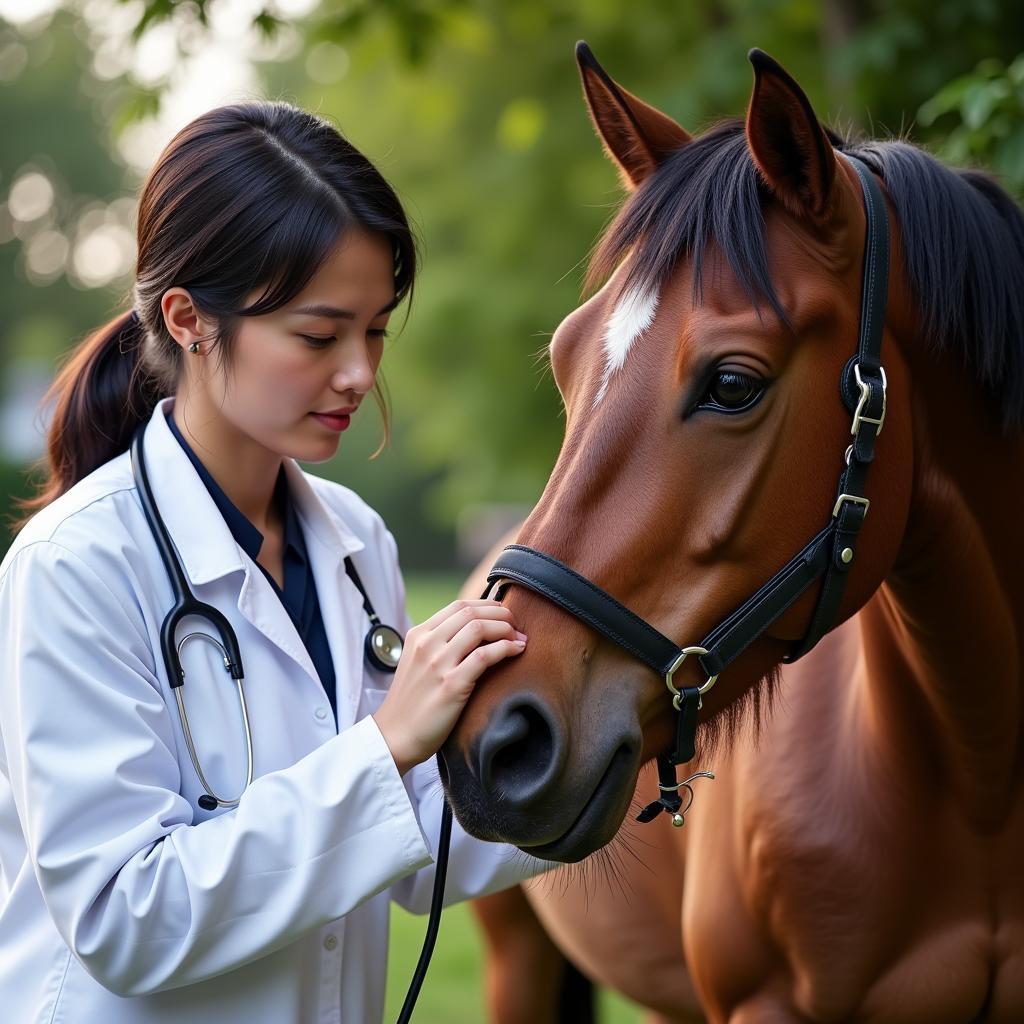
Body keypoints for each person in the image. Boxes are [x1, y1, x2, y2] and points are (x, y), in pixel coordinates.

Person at [0, 99, 546, 1024]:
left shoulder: (355, 539)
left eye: (375, 330)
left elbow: (412, 844)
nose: (361, 374)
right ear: (188, 320)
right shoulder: (75, 566)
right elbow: (125, 916)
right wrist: (386, 745)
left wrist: (630, 743)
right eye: (319, 335)